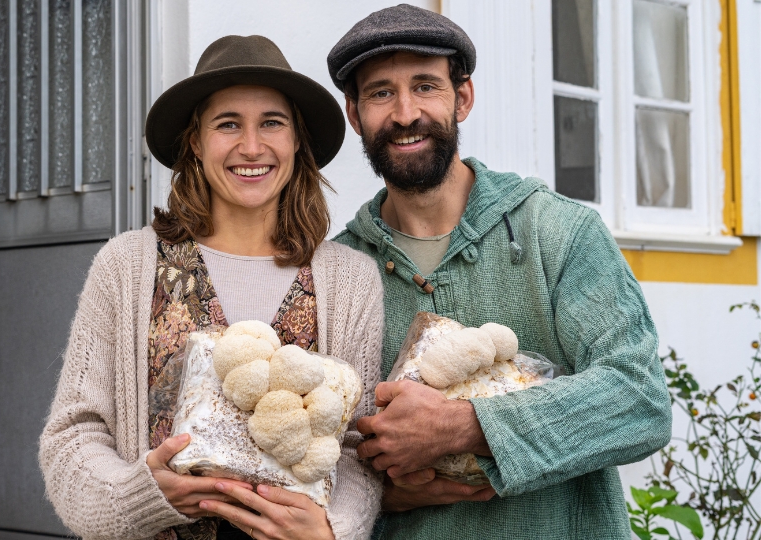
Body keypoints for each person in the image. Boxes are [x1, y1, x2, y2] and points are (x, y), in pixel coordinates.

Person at [326, 4, 672, 539]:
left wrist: (465, 427)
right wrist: (385, 494)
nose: (403, 113)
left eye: (425, 86)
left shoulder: (556, 230)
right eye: (379, 93)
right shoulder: (338, 273)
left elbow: (640, 399)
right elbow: (319, 459)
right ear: (354, 114)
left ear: (462, 97)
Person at [39, 35, 384, 540]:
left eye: (272, 122)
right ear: (196, 143)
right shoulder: (127, 265)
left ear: (296, 141)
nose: (251, 146)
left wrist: (332, 530)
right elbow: (75, 434)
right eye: (228, 124)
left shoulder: (350, 280)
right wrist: (142, 495)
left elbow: (356, 444)